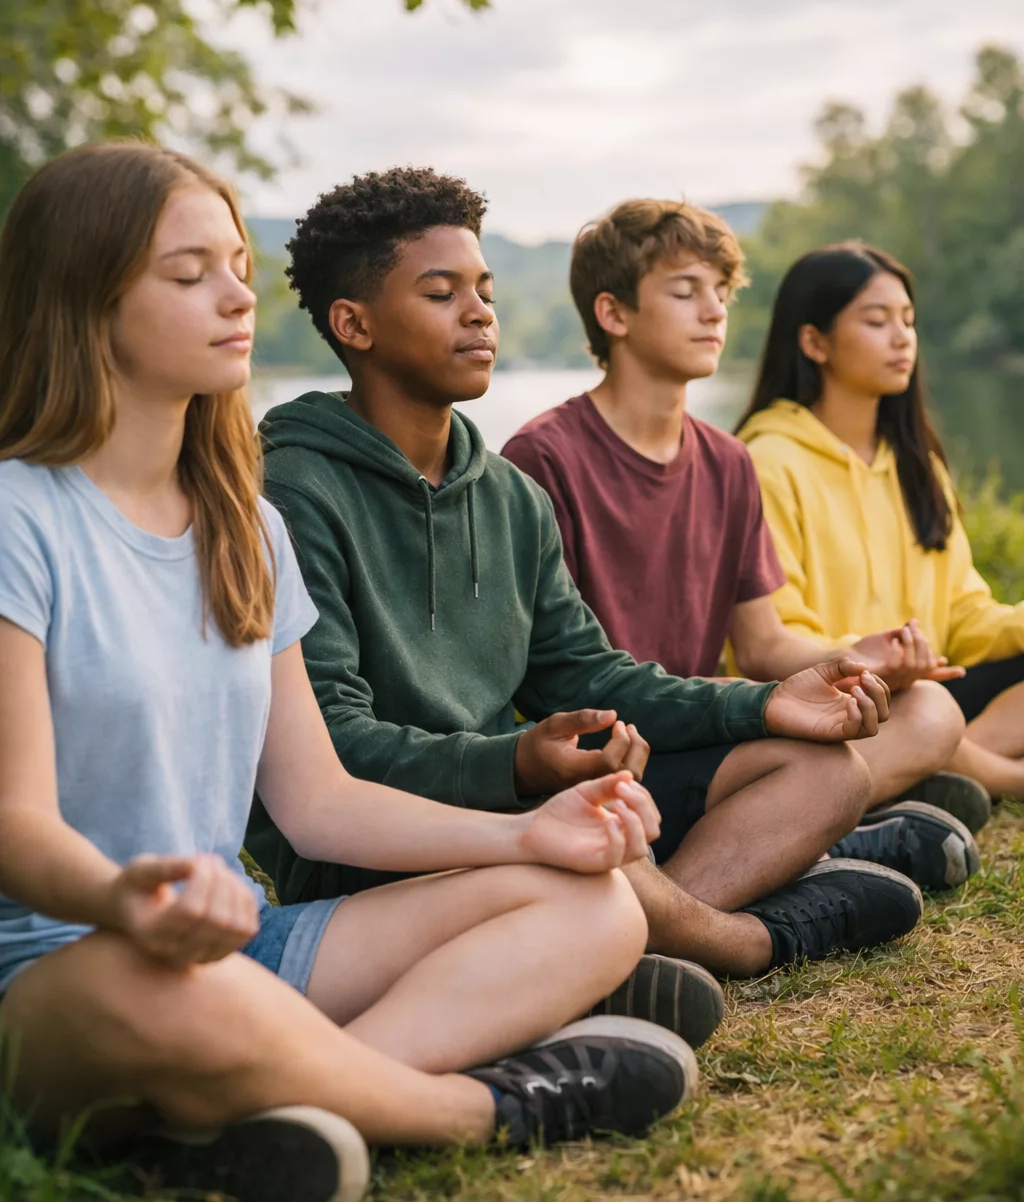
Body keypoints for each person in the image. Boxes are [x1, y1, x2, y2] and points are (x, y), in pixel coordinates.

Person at [0, 142, 705, 1202]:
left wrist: (525, 835)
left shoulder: (248, 527)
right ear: (81, 300)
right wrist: (118, 899)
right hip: (68, 971)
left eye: (237, 266)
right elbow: (14, 820)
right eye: (189, 275)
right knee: (167, 991)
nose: (237, 296)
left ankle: (277, 1106)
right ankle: (481, 1105)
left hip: (241, 943)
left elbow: (319, 804)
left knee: (596, 904)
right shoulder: (19, 520)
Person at [251, 166, 924, 1007]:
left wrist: (761, 705)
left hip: (521, 805)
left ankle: (633, 935)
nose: (479, 312)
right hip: (386, 842)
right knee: (586, 842)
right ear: (355, 324)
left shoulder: (507, 496)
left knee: (827, 771)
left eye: (484, 289)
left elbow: (590, 675)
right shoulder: (292, 492)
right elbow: (332, 748)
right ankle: (748, 939)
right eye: (440, 292)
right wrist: (518, 764)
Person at [503, 201, 986, 893]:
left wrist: (855, 656)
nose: (713, 312)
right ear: (613, 314)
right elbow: (553, 678)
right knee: (825, 771)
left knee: (927, 710)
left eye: (722, 293)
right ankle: (699, 905)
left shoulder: (728, 463)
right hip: (611, 751)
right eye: (685, 291)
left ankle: (773, 847)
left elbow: (762, 645)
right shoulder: (543, 457)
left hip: (711, 729)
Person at [737, 241, 1024, 803]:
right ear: (814, 341)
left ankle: (946, 769)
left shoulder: (917, 465)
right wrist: (879, 659)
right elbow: (777, 638)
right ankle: (987, 776)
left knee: (931, 707)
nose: (902, 338)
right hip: (838, 701)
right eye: (877, 321)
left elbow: (964, 615)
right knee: (923, 710)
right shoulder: (765, 461)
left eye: (908, 321)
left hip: (924, 693)